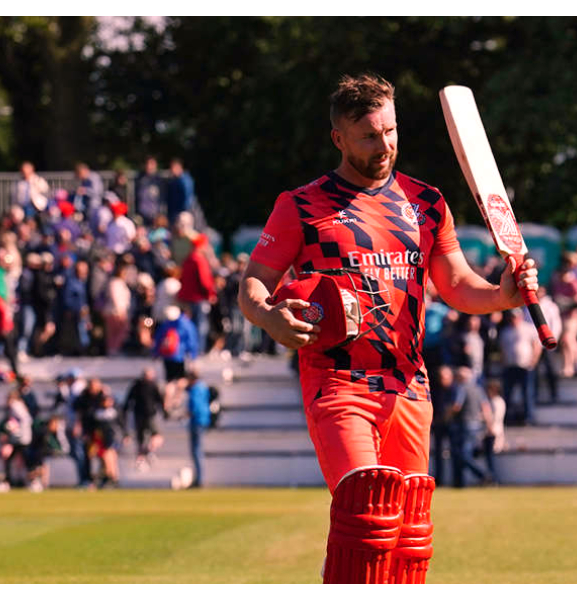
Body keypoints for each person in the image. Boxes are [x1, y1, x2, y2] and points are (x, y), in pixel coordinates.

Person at [238, 73, 539, 584]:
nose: (385, 146)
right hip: (338, 384)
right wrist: (268, 316)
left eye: (391, 131)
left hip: (409, 386)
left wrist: (503, 295)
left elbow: (459, 285)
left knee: (407, 539)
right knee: (366, 510)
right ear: (339, 138)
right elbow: (252, 284)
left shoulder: (426, 203)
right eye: (369, 136)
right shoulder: (302, 206)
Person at [123, 367, 165, 470]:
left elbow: (159, 400)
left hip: (150, 415)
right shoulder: (137, 386)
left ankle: (148, 451)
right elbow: (128, 400)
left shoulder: (152, 385)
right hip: (140, 416)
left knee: (156, 436)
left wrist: (164, 411)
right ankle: (142, 458)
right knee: (141, 439)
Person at [183, 368, 212, 488]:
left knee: (196, 451)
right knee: (197, 450)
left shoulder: (194, 389)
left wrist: (186, 415)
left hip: (196, 421)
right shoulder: (203, 387)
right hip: (204, 419)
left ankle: (199, 479)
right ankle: (199, 478)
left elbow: (194, 407)